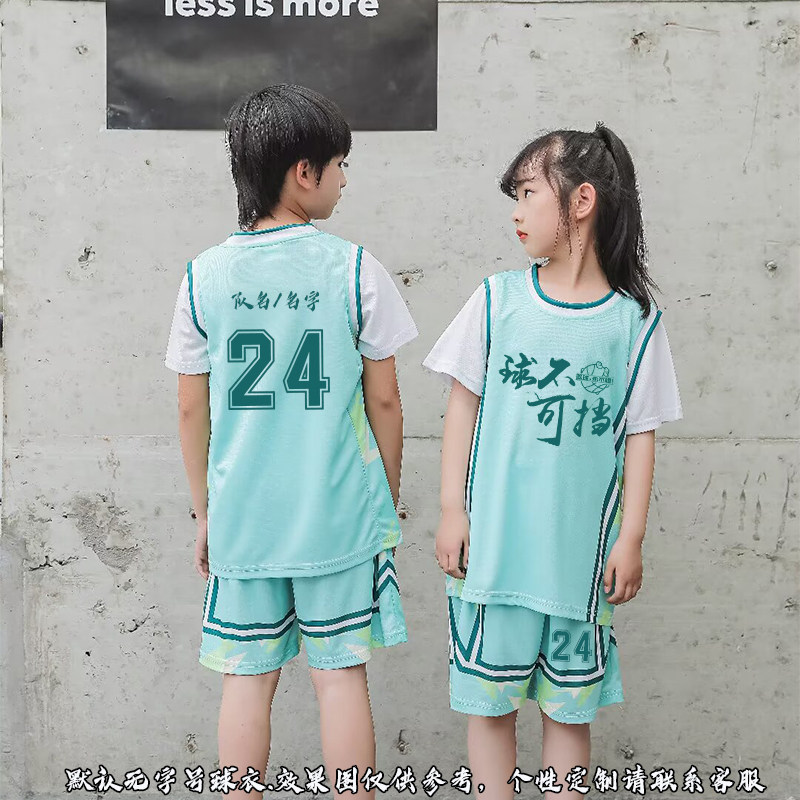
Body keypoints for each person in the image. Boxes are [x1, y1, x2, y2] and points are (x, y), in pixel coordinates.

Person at [164, 84, 418, 799]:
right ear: (304, 173)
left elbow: (189, 406)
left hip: (244, 518)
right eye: (340, 165)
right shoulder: (355, 268)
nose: (344, 180)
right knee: (339, 677)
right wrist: (384, 498)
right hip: (337, 514)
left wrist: (205, 512)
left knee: (246, 679)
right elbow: (386, 400)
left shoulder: (202, 276)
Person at [423, 123, 683, 799]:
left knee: (569, 713)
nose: (516, 211)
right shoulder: (496, 301)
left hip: (577, 568)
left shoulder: (633, 323)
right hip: (494, 560)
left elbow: (641, 435)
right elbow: (462, 408)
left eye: (528, 193)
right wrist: (451, 509)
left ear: (581, 200)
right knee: (490, 708)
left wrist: (631, 537)